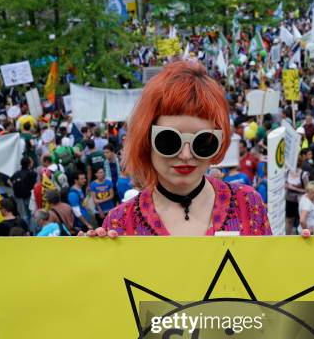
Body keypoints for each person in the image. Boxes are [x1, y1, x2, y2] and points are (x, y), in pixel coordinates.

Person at [82, 61, 271, 237]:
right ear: (146, 139)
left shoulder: (248, 205)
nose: (186, 155)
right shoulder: (120, 223)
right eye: (169, 141)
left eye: (203, 142)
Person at [10, 156, 36, 223]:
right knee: (31, 213)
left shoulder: (17, 173)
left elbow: (9, 180)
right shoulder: (32, 173)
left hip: (19, 197)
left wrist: (14, 186)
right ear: (29, 164)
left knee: (24, 214)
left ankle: (25, 228)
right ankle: (32, 229)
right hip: (29, 196)